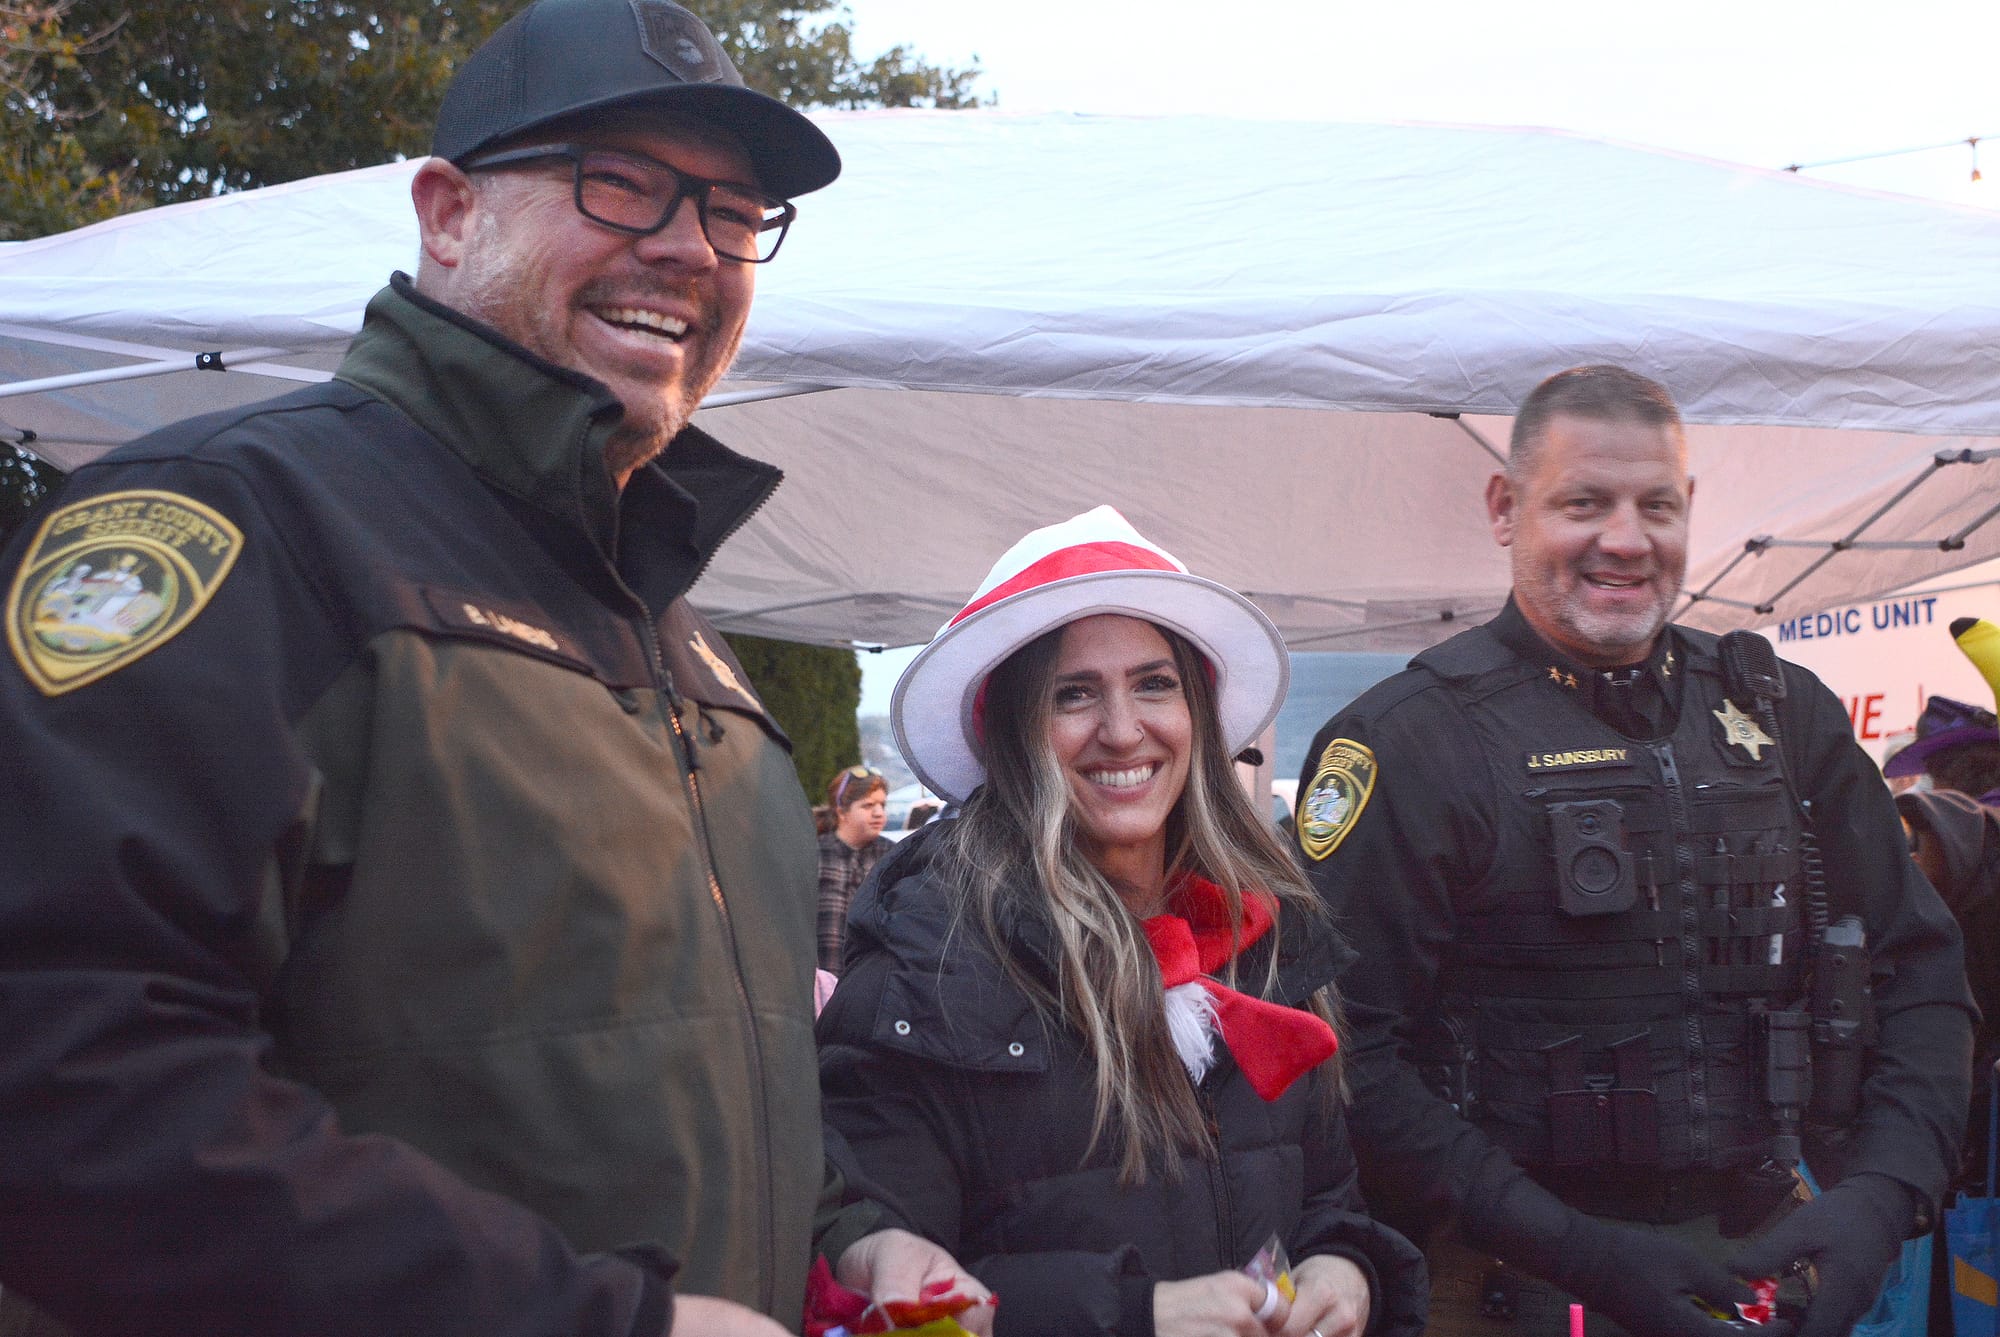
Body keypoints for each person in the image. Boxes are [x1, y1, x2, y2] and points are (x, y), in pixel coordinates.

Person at [0, 2, 987, 1333]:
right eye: (621, 182)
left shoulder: (699, 659)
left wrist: (847, 1235)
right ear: (448, 215)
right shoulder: (233, 532)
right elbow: (65, 1087)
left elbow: (684, 1080)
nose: (690, 246)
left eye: (734, 213)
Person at [1294, 366, 1973, 1337]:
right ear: (1504, 507)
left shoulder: (1780, 714)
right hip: (1496, 1283)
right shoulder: (1406, 742)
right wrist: (1573, 1246)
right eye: (1582, 502)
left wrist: (1882, 1191)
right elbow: (1341, 1049)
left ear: (1687, 510)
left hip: (1755, 1271)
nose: (1623, 537)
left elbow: (1917, 965)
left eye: (1654, 504)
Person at [819, 506, 1429, 1337]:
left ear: (1198, 714)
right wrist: (1134, 1320)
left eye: (1154, 683)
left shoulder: (1265, 938)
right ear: (1012, 734)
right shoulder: (925, 968)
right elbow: (881, 1306)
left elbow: (1325, 1197)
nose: (1122, 729)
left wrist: (1345, 1266)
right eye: (1074, 694)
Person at [817, 765, 894, 972]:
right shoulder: (816, 852)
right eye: (868, 805)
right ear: (841, 810)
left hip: (867, 979)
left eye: (882, 805)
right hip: (819, 978)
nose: (879, 813)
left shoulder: (892, 856)